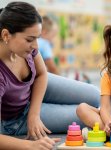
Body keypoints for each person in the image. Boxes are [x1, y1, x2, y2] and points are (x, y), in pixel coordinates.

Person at [0, 2, 100, 150]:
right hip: (18, 117)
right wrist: (28, 145)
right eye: (29, 39)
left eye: (37, 38)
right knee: (86, 117)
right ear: (6, 35)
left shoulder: (28, 48)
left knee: (95, 95)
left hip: (36, 88)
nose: (36, 46)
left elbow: (41, 74)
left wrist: (34, 114)